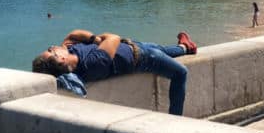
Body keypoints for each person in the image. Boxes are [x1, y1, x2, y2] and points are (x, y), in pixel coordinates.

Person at [32, 29, 197, 115]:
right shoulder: (92, 63)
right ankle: (175, 118)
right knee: (180, 72)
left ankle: (185, 47)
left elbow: (73, 33)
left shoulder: (70, 52)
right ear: (61, 60)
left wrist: (95, 40)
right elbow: (114, 38)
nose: (53, 46)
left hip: (133, 45)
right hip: (144, 58)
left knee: (160, 48)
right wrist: (101, 39)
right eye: (50, 50)